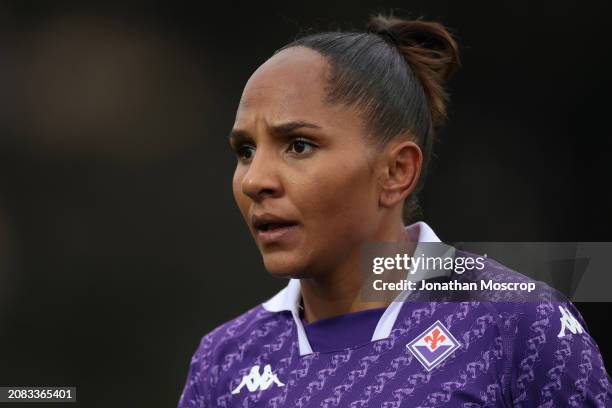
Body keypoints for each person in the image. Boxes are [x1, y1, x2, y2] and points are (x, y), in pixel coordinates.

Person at [178, 14, 612, 407]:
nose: (255, 180)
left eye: (298, 145)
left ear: (395, 171)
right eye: (246, 150)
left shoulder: (518, 321)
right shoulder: (225, 360)